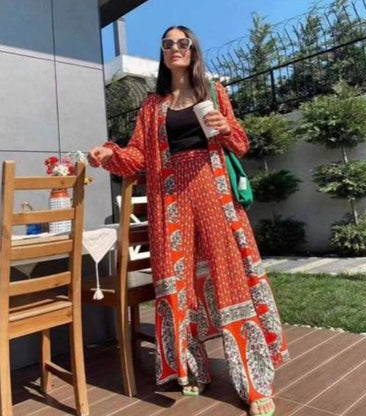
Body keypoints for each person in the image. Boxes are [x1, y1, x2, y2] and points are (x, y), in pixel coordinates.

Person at [88, 25, 289, 416]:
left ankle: (253, 382)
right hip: (170, 203)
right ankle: (192, 368)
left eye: (183, 43)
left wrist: (226, 127)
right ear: (162, 53)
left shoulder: (213, 92)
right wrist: (111, 153)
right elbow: (139, 156)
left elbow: (241, 143)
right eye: (168, 44)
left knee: (229, 279)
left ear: (194, 50)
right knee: (177, 282)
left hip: (214, 195)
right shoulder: (152, 106)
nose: (175, 48)